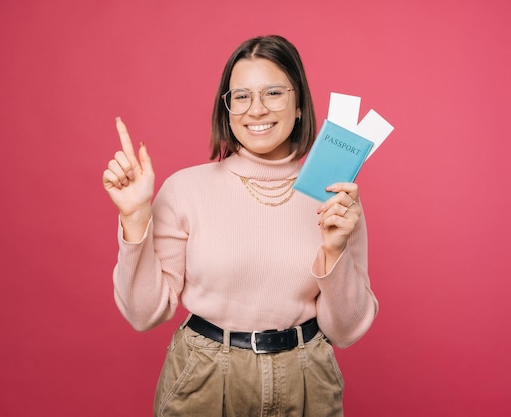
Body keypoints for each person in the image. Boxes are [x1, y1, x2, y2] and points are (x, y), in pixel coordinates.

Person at [102, 35, 378, 417]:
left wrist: (334, 251)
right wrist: (134, 218)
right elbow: (143, 314)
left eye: (274, 93)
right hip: (206, 375)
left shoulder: (336, 199)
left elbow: (346, 331)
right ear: (227, 109)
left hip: (307, 377)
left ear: (299, 105)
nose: (257, 110)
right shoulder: (185, 188)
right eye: (242, 96)